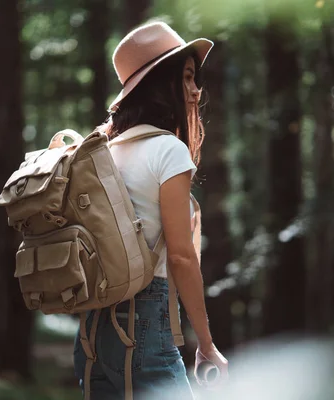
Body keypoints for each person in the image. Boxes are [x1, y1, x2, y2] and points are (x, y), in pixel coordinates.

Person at [73, 21, 228, 399]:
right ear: (162, 82)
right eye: (188, 77)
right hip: (144, 325)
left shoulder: (104, 151)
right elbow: (181, 256)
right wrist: (206, 344)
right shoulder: (168, 151)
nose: (196, 90)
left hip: (92, 335)